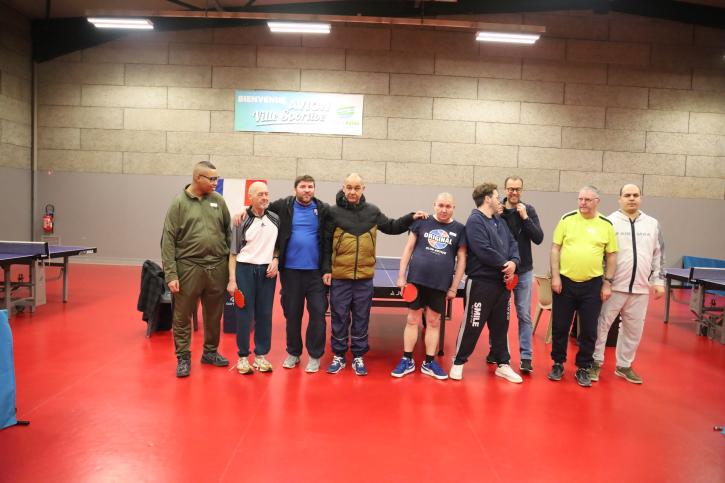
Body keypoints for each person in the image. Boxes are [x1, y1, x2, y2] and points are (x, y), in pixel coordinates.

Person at [322, 173, 427, 376]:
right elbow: (325, 243)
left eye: (357, 188)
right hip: (340, 277)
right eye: (349, 187)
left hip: (364, 278)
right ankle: (339, 355)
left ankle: (358, 356)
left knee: (361, 318)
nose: (352, 192)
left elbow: (393, 226)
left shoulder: (372, 212)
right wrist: (326, 269)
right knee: (339, 317)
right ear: (343, 187)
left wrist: (411, 217)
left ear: (363, 189)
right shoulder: (333, 213)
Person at [234, 175, 330, 373]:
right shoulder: (283, 206)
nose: (307, 190)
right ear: (295, 189)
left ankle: (314, 356)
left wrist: (327, 268)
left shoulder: (323, 209)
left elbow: (330, 237)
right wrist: (243, 209)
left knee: (318, 314)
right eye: (303, 186)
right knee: (292, 314)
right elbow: (259, 207)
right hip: (290, 272)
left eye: (310, 186)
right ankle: (293, 353)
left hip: (315, 273)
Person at [161, 160, 231, 378]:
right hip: (189, 267)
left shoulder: (218, 201)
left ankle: (210, 352)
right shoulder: (179, 203)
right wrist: (171, 274)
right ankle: (183, 357)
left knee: (214, 314)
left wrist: (231, 270)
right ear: (197, 178)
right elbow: (168, 240)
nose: (215, 182)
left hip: (217, 267)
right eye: (211, 179)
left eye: (217, 178)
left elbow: (228, 233)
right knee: (182, 316)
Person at [590, 184, 665, 384]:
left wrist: (658, 281)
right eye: (627, 195)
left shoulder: (652, 224)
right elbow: (600, 254)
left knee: (633, 330)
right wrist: (604, 282)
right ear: (620, 199)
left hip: (640, 288)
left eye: (635, 195)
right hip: (613, 287)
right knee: (601, 326)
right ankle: (595, 362)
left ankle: (624, 365)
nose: (631, 198)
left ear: (641, 198)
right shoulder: (609, 222)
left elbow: (659, 254)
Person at [449, 182, 522, 384]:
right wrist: (505, 264)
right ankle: (458, 361)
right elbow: (483, 249)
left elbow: (513, 244)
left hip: (502, 285)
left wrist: (514, 262)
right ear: (488, 198)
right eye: (497, 196)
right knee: (473, 323)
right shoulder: (475, 220)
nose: (499, 200)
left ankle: (503, 364)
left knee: (501, 325)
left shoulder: (499, 221)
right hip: (481, 283)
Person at [391, 193, 467, 380]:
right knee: (412, 320)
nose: (444, 210)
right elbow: (408, 249)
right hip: (416, 281)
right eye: (441, 205)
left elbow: (462, 260)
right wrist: (401, 276)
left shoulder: (460, 229)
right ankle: (407, 359)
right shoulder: (421, 222)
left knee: (433, 322)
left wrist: (454, 287)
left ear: (453, 208)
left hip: (440, 284)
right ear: (434, 205)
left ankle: (429, 362)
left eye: (448, 206)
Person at [548, 186, 618, 387]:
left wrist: (607, 283)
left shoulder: (606, 224)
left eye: (587, 199)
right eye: (580, 199)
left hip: (593, 285)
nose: (583, 203)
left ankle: (583, 367)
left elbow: (612, 255)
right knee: (560, 326)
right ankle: (558, 363)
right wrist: (555, 276)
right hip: (565, 282)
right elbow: (555, 248)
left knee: (589, 329)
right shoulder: (567, 219)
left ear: (597, 201)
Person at [227, 181, 279, 375]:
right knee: (244, 314)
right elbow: (233, 253)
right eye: (260, 194)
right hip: (244, 270)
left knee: (265, 314)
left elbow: (277, 245)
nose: (264, 197)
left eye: (266, 194)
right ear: (250, 197)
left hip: (267, 273)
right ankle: (242, 357)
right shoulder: (241, 220)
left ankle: (260, 356)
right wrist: (232, 280)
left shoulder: (275, 218)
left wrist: (276, 259)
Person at [497, 176, 544, 374]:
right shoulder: (497, 210)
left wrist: (525, 218)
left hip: (523, 271)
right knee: (498, 315)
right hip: (501, 271)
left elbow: (539, 238)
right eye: (510, 189)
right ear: (505, 189)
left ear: (522, 190)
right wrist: (496, 217)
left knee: (524, 314)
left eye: (517, 189)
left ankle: (526, 357)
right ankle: (497, 352)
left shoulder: (528, 210)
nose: (514, 192)